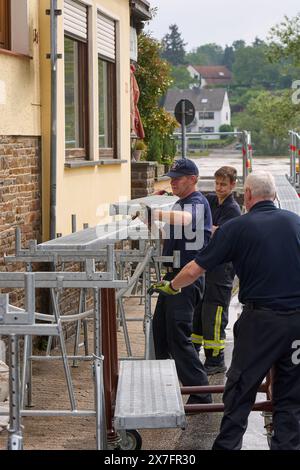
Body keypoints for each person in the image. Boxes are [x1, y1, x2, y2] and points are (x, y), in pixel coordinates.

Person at [150, 172, 300, 450]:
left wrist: (172, 286)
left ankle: (228, 447)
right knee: (291, 396)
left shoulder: (237, 227)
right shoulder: (296, 223)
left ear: (248, 196)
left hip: (260, 323)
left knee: (240, 389)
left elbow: (195, 268)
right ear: (276, 195)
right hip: (296, 324)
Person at [151, 158, 213, 405]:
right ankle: (164, 388)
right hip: (173, 275)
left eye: (178, 177)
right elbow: (169, 230)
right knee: (160, 335)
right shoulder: (180, 203)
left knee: (178, 335)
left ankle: (200, 394)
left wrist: (155, 210)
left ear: (193, 179)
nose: (172, 181)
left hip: (187, 277)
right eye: (171, 177)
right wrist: (155, 213)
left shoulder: (197, 202)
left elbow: (186, 220)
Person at [192, 166, 241, 375]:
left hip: (222, 270)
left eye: (223, 184)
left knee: (215, 314)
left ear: (233, 185)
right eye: (217, 183)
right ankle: (194, 352)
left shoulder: (233, 209)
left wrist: (207, 228)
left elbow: (223, 235)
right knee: (200, 312)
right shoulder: (211, 201)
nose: (219, 188)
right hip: (208, 266)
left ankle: (216, 360)